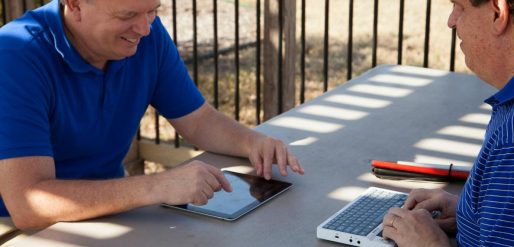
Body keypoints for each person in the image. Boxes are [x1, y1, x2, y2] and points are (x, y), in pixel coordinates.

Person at [0, 0, 304, 230]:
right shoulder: (15, 56)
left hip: (111, 215)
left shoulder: (148, 36)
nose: (145, 29)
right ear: (76, 5)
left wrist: (252, 143)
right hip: (20, 230)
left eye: (152, 11)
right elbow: (28, 203)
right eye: (128, 15)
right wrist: (159, 185)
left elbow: (198, 121)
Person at [381, 0, 514, 246]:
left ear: (498, 11)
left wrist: (430, 244)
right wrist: (477, 214)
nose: (451, 21)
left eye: (459, 7)